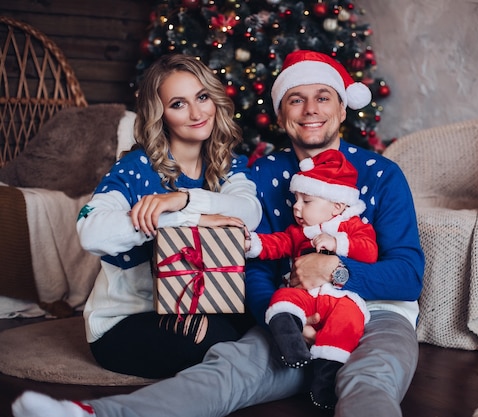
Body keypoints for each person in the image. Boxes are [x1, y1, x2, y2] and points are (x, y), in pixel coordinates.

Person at [13, 50, 424, 417]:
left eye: (323, 97)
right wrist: (281, 320)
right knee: (226, 370)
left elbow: (408, 275)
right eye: (296, 99)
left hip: (376, 313)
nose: (310, 110)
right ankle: (92, 414)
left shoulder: (381, 174)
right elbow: (256, 269)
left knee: (368, 380)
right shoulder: (263, 174)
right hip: (291, 314)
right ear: (281, 114)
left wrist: (336, 271)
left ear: (341, 109)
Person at [75, 53, 262, 379]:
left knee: (267, 320)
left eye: (202, 97)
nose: (196, 112)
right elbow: (90, 232)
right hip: (129, 320)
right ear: (159, 114)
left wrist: (183, 200)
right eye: (178, 104)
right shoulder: (135, 169)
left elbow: (250, 212)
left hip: (205, 302)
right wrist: (184, 219)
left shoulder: (225, 164)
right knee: (220, 343)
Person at [245, 148, 377, 409]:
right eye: (296, 200)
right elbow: (279, 243)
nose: (296, 207)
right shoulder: (299, 232)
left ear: (337, 206)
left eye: (306, 201)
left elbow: (370, 251)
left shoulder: (353, 226)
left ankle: (326, 376)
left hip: (340, 298)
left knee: (348, 320)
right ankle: (290, 343)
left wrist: (337, 242)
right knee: (282, 297)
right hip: (304, 295)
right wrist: (252, 243)